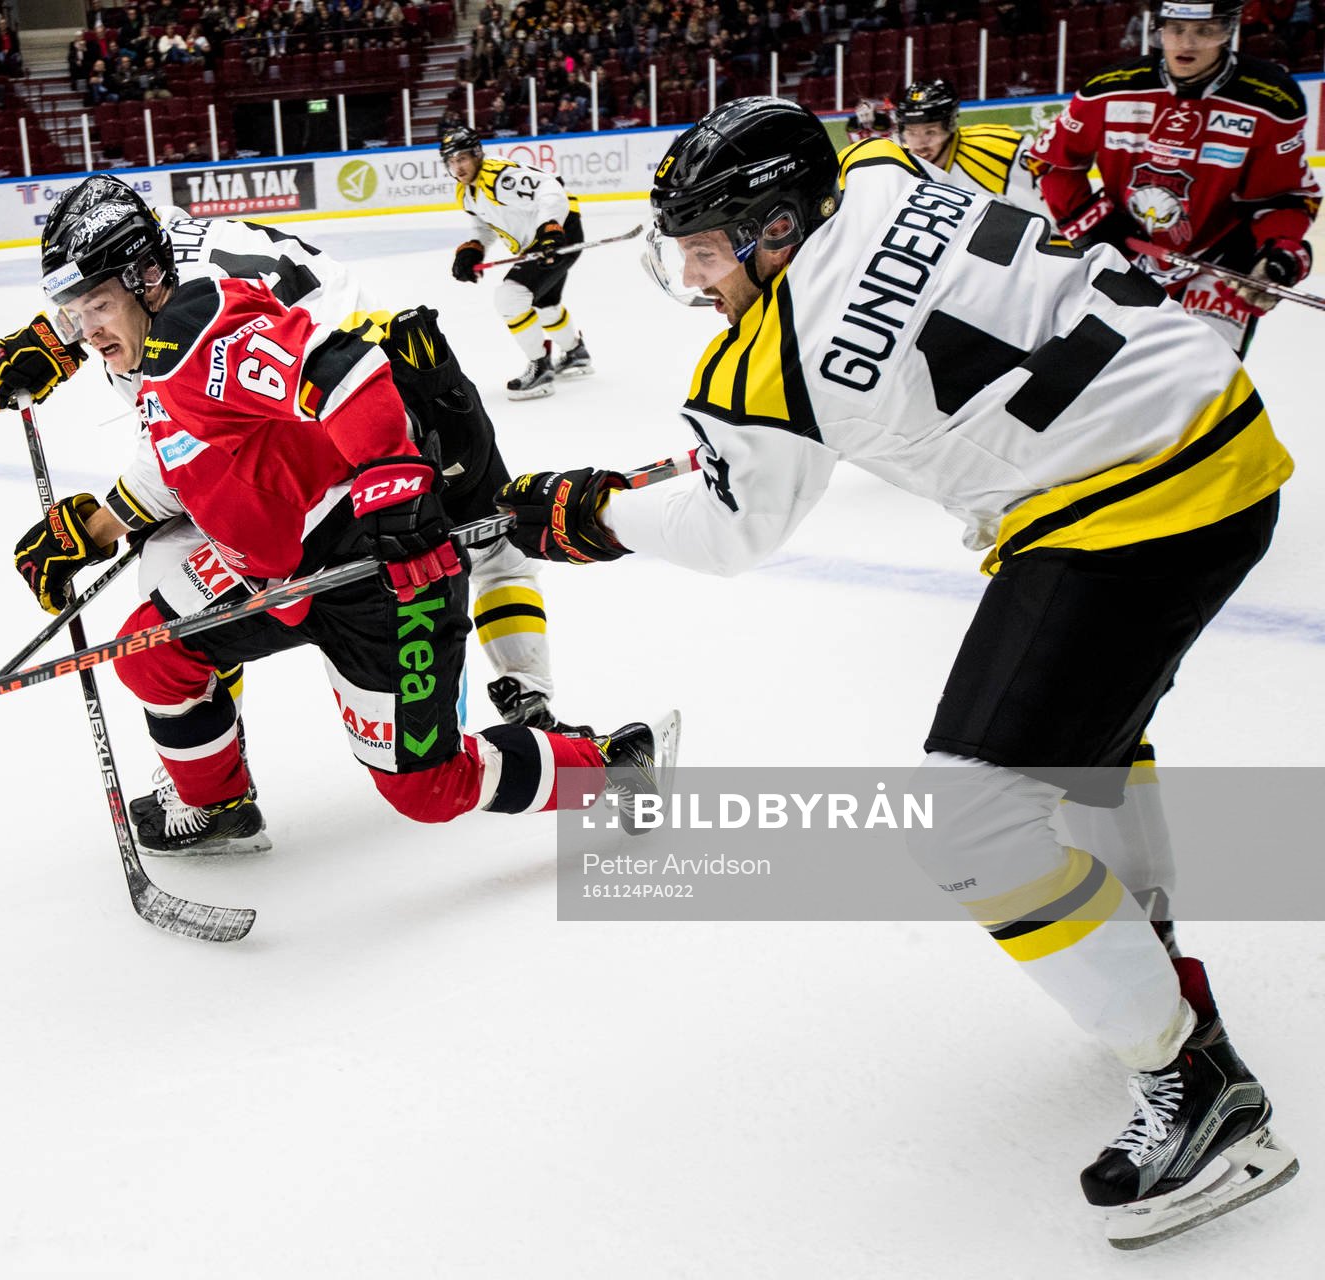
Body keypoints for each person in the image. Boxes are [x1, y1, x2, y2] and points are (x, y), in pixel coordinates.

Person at [495, 96, 1298, 1250]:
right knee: (1082, 738)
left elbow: (732, 530)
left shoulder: (766, 359)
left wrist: (593, 520)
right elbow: (1009, 182)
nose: (698, 276)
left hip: (1128, 504)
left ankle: (1200, 1090)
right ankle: (1150, 957)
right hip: (1217, 429)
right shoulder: (875, 166)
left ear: (777, 229)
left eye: (709, 250)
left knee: (974, 818)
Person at [0, 180, 675, 855]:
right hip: (284, 562)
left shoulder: (193, 333)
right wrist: (91, 525)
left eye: (95, 308)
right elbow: (184, 455)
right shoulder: (157, 329)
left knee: (429, 789)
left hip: (374, 549)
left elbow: (340, 367)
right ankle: (216, 806)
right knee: (153, 653)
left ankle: (613, 765)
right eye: (74, 315)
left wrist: (392, 485)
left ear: (145, 274)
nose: (86, 333)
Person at [1025, 0, 1319, 355]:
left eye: (1204, 30)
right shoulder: (1109, 90)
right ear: (1160, 29)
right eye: (1176, 29)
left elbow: (1284, 197)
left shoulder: (1271, 102)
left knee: (1202, 380)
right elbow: (1052, 162)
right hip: (1125, 256)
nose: (1187, 43)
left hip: (1219, 263)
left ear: (1227, 31)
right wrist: (1094, 224)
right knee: (1101, 373)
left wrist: (1279, 251)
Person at [441, 127, 591, 401]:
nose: (457, 167)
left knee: (510, 298)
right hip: (543, 237)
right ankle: (575, 353)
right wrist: (473, 249)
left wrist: (550, 227)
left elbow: (550, 187)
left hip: (559, 232)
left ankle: (541, 369)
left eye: (461, 158)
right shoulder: (466, 192)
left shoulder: (499, 177)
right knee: (544, 303)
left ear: (476, 154)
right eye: (451, 162)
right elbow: (484, 227)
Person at [892, 78, 1043, 212]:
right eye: (911, 133)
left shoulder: (997, 151)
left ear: (950, 126)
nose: (919, 144)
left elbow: (1051, 213)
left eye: (930, 132)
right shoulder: (897, 165)